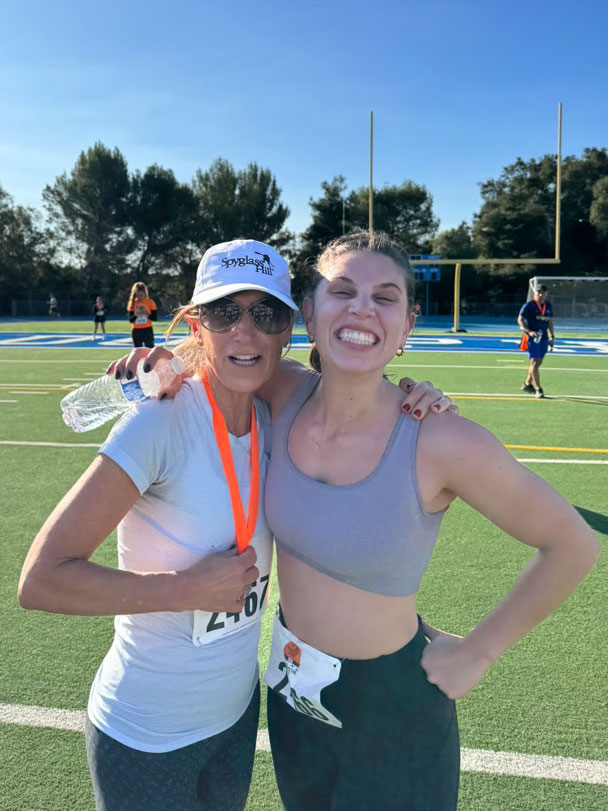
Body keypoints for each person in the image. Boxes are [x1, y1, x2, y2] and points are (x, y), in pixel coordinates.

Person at [122, 232, 598, 811]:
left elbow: (571, 543)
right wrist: (153, 363)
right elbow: (214, 353)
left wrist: (480, 650)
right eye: (342, 291)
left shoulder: (439, 437)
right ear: (310, 312)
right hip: (293, 693)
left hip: (392, 707)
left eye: (386, 296)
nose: (362, 309)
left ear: (408, 325)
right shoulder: (283, 389)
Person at [19, 238, 452, 811]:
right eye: (225, 312)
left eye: (265, 313)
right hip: (147, 732)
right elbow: (41, 579)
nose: (245, 332)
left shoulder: (279, 419)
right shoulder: (159, 422)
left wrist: (418, 395)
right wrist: (181, 590)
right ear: (197, 325)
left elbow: (351, 402)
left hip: (237, 719)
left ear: (288, 329)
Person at [518, 283, 555, 398]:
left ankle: (527, 384)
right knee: (534, 362)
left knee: (538, 362)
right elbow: (520, 319)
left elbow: (549, 322)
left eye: (543, 292)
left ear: (546, 294)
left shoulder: (548, 306)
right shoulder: (529, 305)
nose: (540, 294)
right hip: (532, 337)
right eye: (538, 292)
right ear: (535, 293)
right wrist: (528, 331)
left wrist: (551, 336)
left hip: (543, 337)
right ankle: (538, 388)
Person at [127, 282, 157, 348]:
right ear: (135, 294)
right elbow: (131, 320)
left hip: (147, 330)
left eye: (141, 295)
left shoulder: (150, 302)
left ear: (145, 293)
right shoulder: (132, 303)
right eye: (138, 295)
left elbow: (154, 318)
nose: (140, 297)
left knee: (150, 350)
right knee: (137, 351)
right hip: (136, 330)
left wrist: (146, 313)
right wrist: (136, 314)